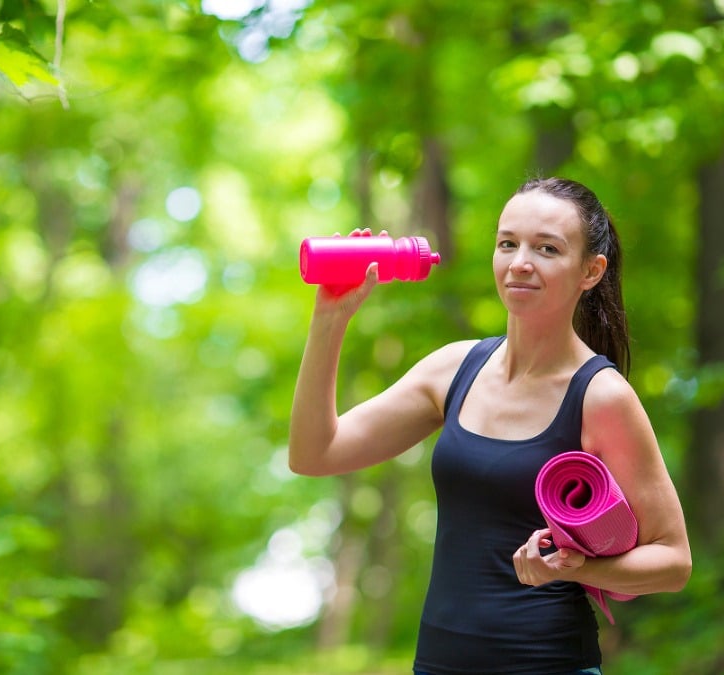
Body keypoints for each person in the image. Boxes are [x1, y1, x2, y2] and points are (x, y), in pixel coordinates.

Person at [288, 177, 692, 674]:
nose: (520, 261)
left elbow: (673, 562)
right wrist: (330, 318)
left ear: (591, 271)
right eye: (508, 243)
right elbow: (313, 454)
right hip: (437, 663)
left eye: (547, 248)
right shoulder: (453, 370)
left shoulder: (600, 396)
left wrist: (579, 568)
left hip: (548, 664)